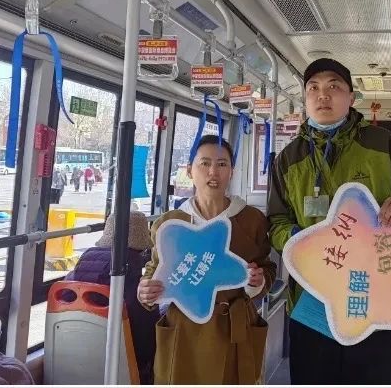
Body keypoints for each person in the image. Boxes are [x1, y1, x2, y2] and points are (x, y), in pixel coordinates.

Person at [267, 58, 391, 384]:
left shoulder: (385, 145)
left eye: (334, 86)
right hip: (312, 300)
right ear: (305, 98)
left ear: (351, 97)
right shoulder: (289, 158)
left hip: (373, 298)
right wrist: (299, 240)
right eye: (313, 88)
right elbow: (275, 221)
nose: (323, 95)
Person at [137, 135, 276, 384]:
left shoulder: (251, 220)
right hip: (184, 330)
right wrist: (145, 291)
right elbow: (155, 269)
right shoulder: (170, 223)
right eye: (205, 163)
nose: (213, 172)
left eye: (222, 164)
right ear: (190, 170)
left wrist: (258, 281)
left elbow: (267, 267)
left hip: (233, 328)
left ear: (231, 172)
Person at [63, 211, 159, 384]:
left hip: (71, 360)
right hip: (123, 368)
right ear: (141, 249)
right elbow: (146, 343)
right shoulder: (136, 288)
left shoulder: (74, 276)